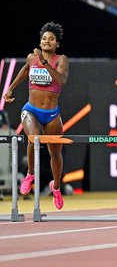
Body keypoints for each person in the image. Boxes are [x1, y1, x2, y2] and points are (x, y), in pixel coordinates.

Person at [3, 22, 68, 209]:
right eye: (44, 38)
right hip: (31, 109)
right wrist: (10, 88)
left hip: (52, 113)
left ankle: (56, 187)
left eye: (51, 39)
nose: (47, 41)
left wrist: (45, 62)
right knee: (34, 138)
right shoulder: (32, 58)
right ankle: (30, 174)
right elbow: (25, 70)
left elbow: (61, 80)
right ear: (40, 41)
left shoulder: (61, 59)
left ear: (57, 44)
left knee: (55, 153)